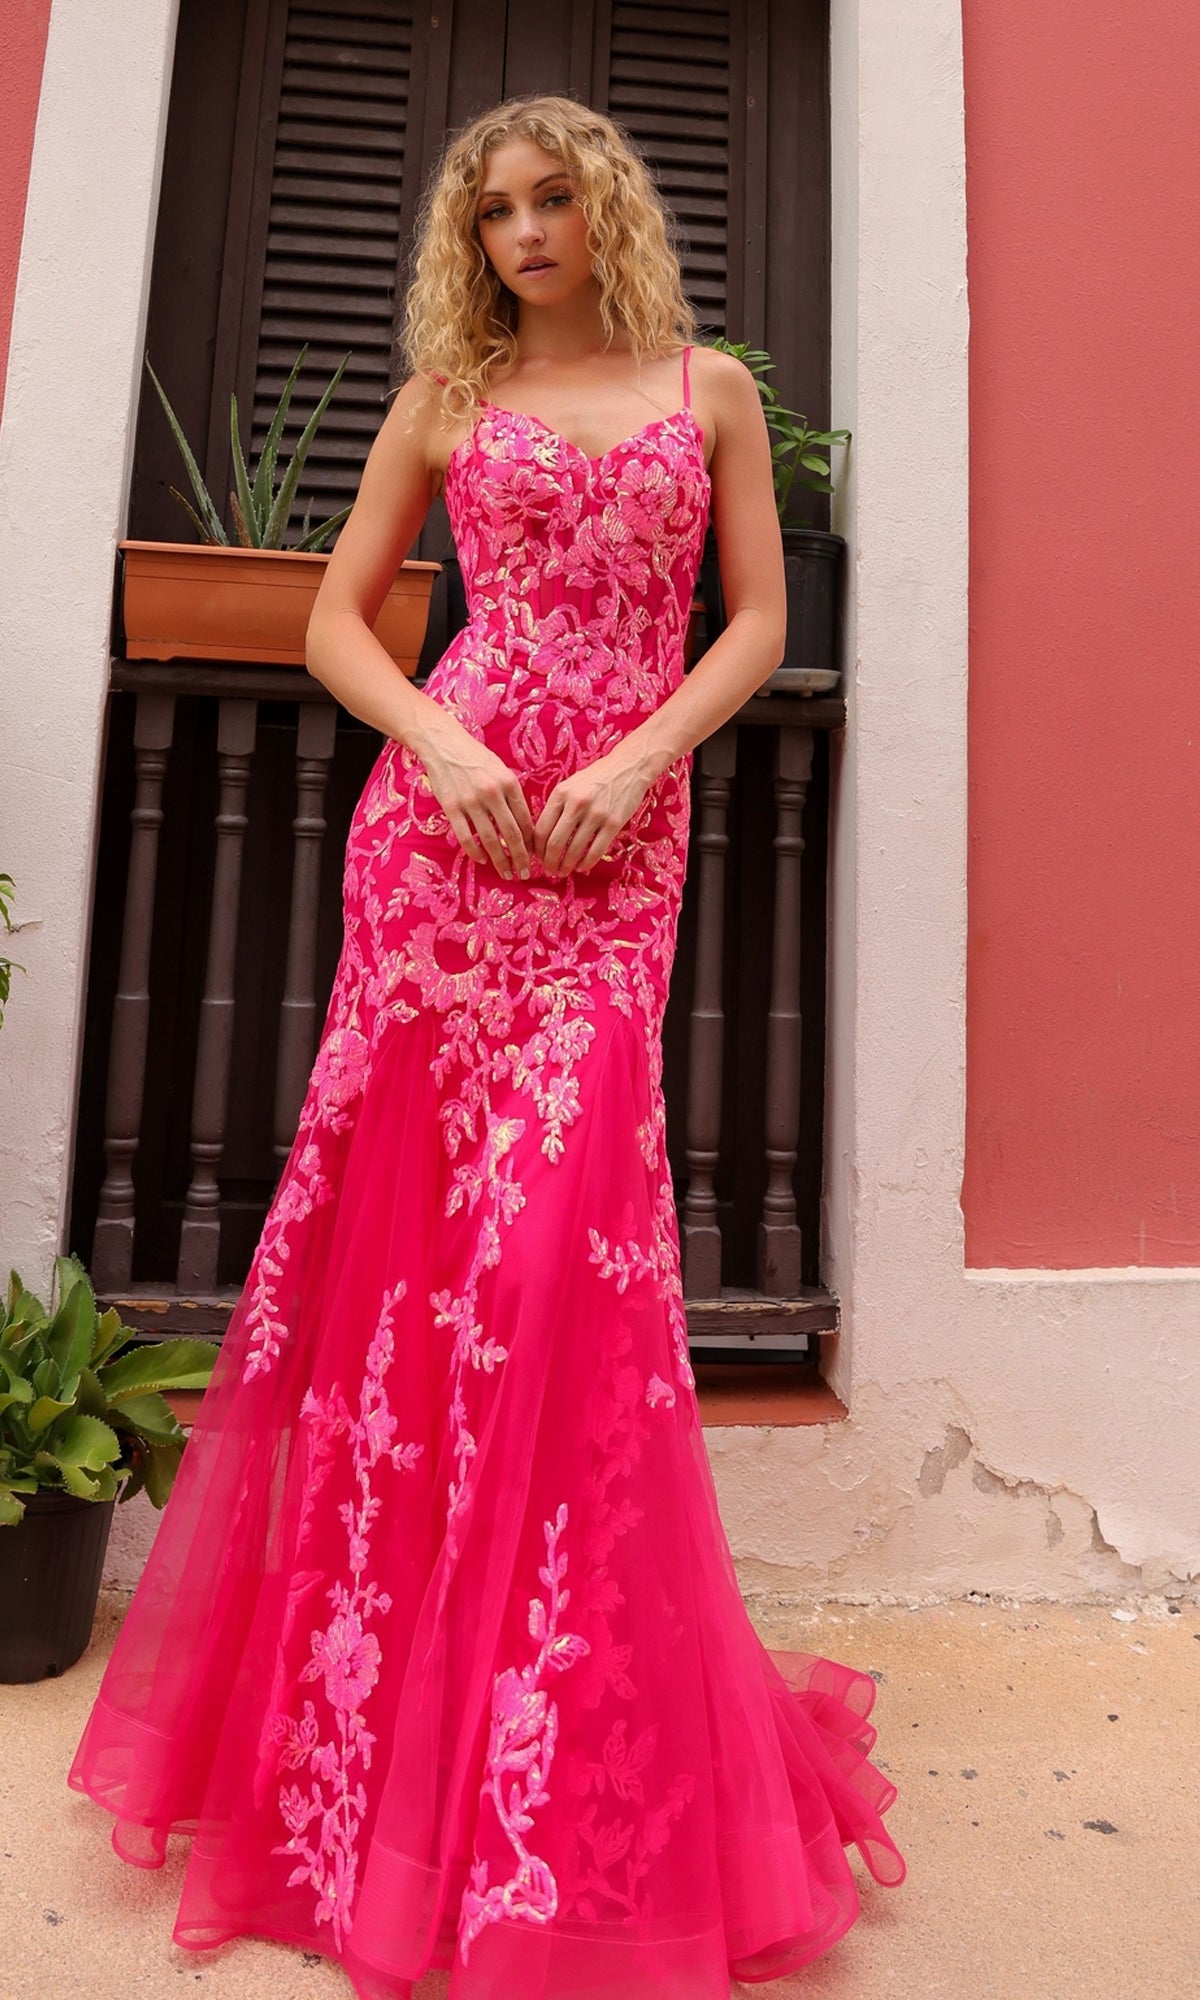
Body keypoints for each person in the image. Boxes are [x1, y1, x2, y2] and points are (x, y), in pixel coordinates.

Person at [69, 93, 904, 1999]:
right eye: (496, 208)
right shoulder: (445, 401)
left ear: (603, 207)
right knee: (400, 1274)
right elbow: (337, 625)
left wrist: (629, 759)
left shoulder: (708, 394)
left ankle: (538, 1742)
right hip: (439, 856)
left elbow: (758, 620)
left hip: (610, 855)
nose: (525, 231)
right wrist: (438, 743)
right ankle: (375, 1744)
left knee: (555, 1273)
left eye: (552, 199)